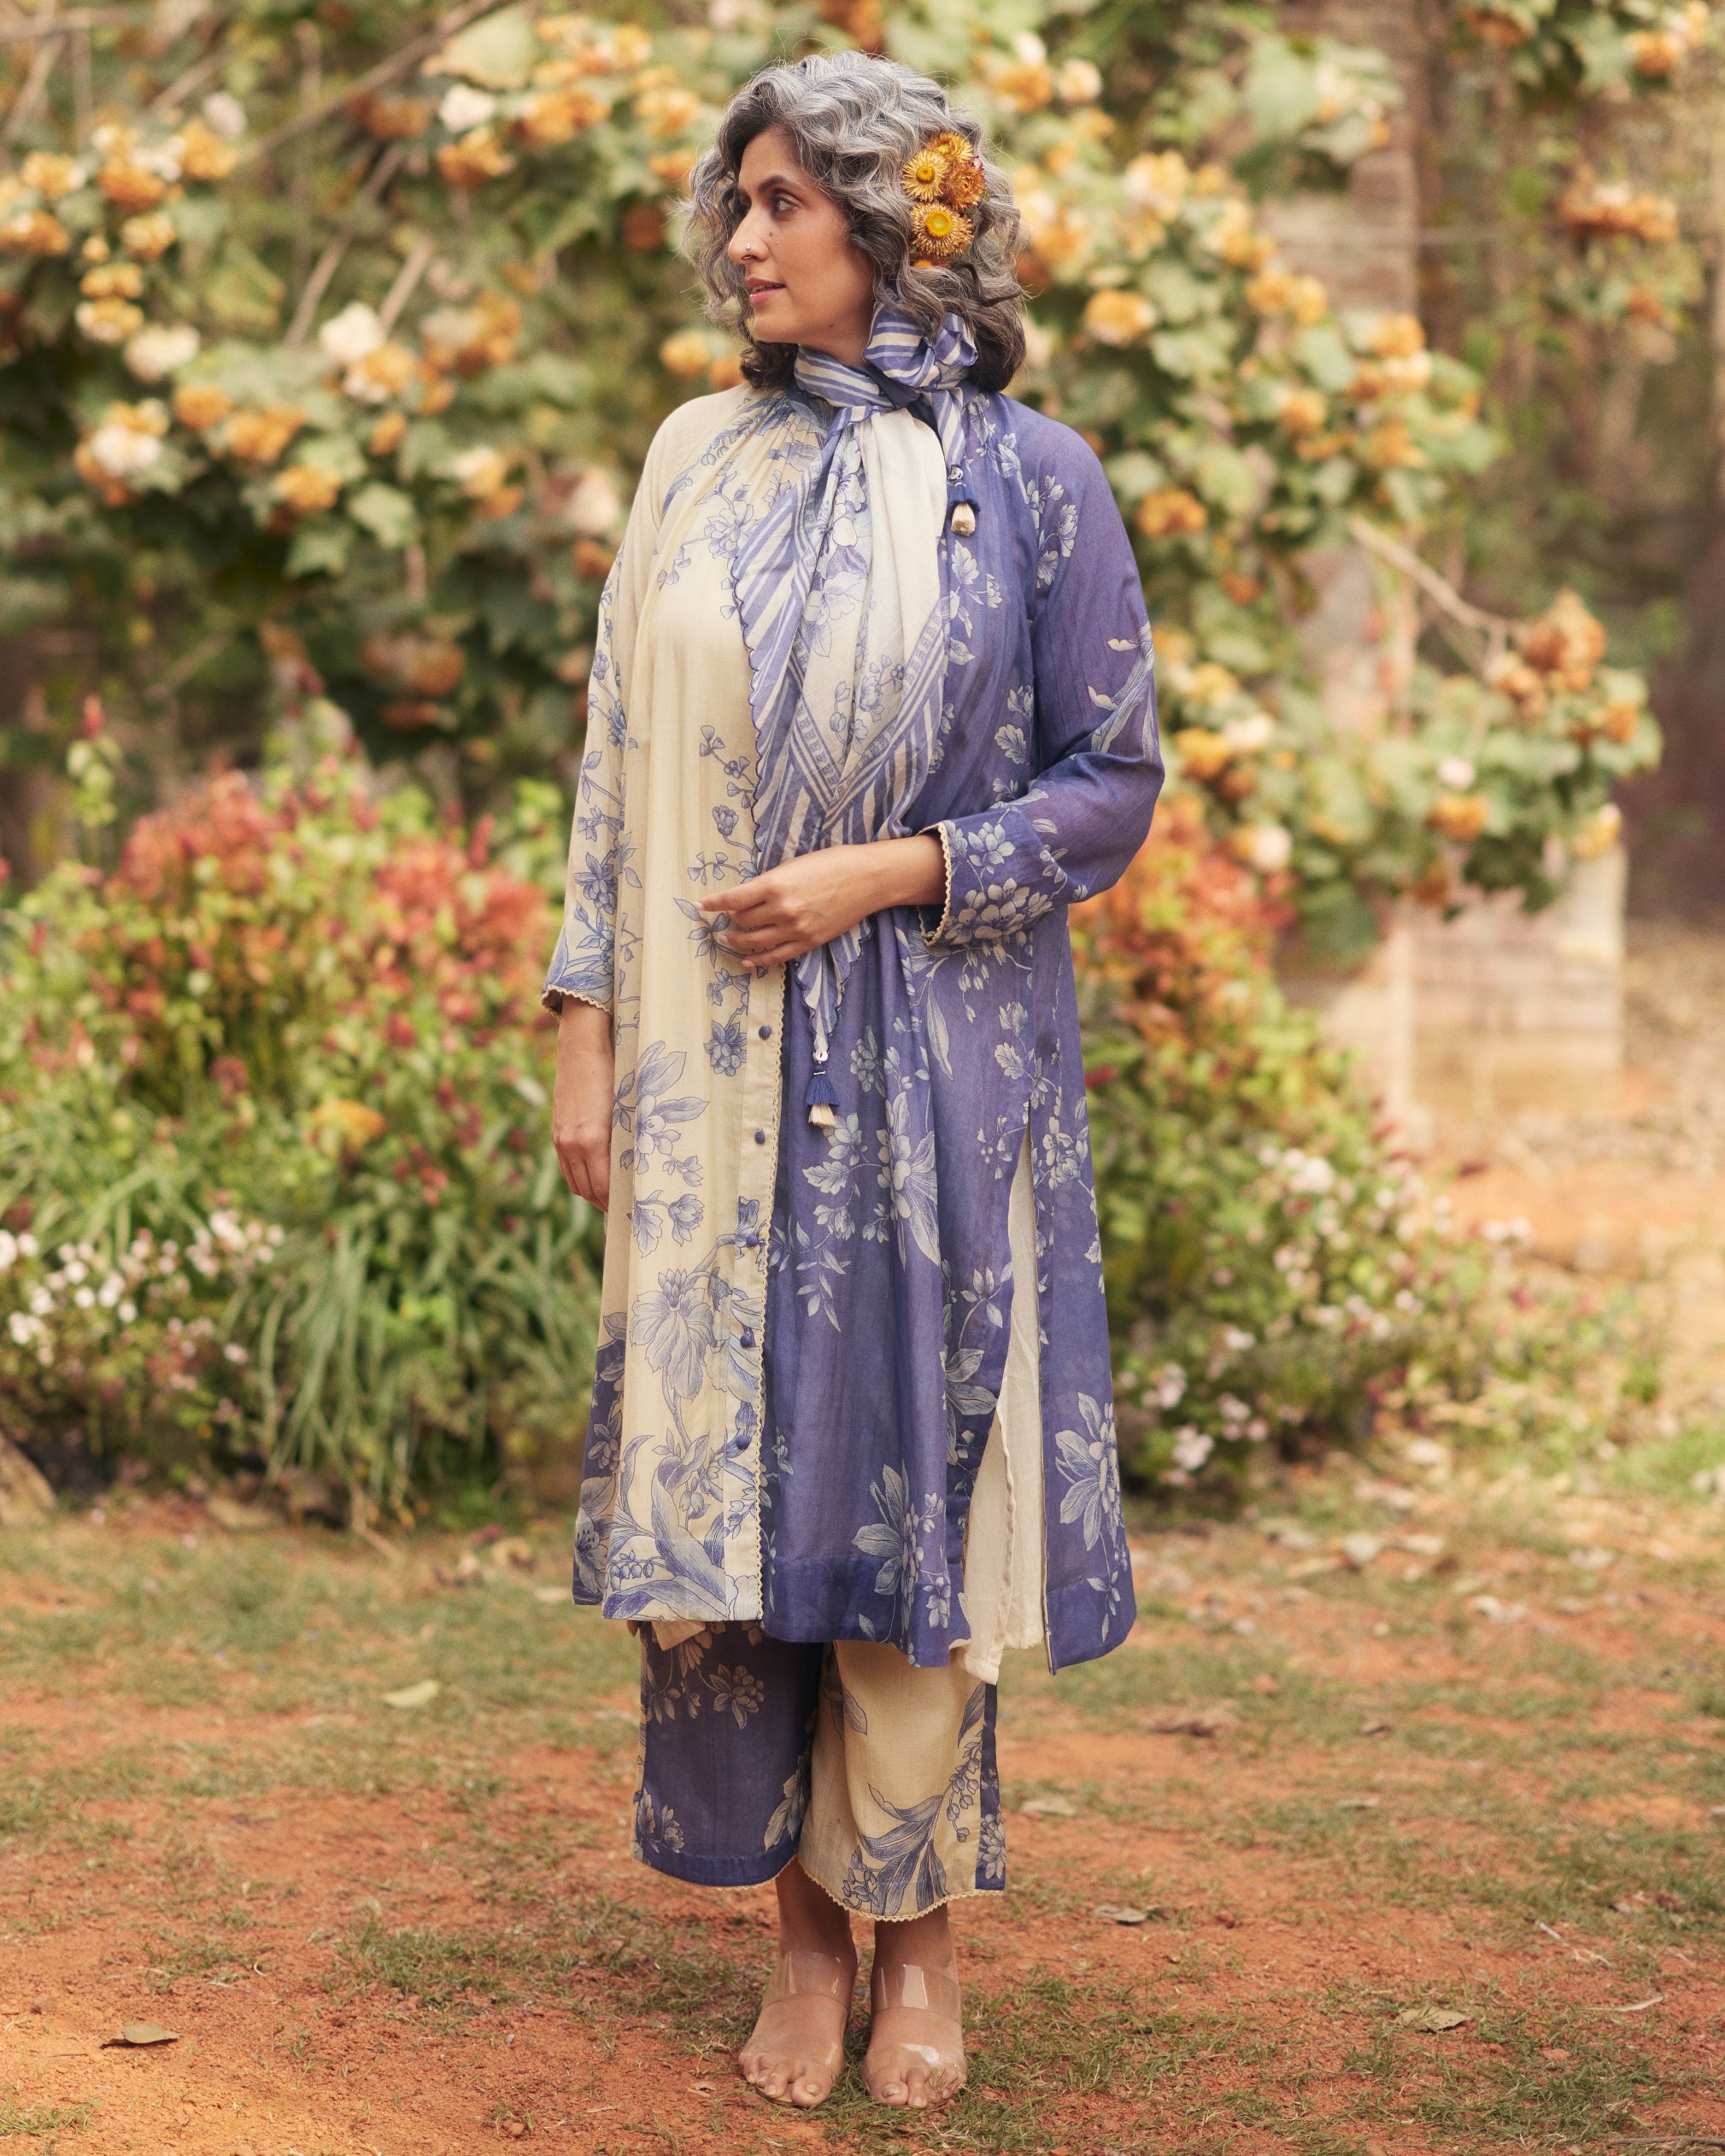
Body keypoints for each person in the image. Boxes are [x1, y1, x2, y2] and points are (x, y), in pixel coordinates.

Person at [544, 49, 1162, 2113]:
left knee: (913, 1500)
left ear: (900, 228)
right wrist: (580, 1023)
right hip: (705, 1085)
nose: (739, 240)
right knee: (736, 1512)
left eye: (782, 203)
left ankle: (920, 1934)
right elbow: (615, 757)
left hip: (933, 1073)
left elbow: (1108, 783)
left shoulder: (1034, 479)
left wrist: (895, 870)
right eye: (735, 202)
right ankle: (799, 1935)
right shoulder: (692, 458)